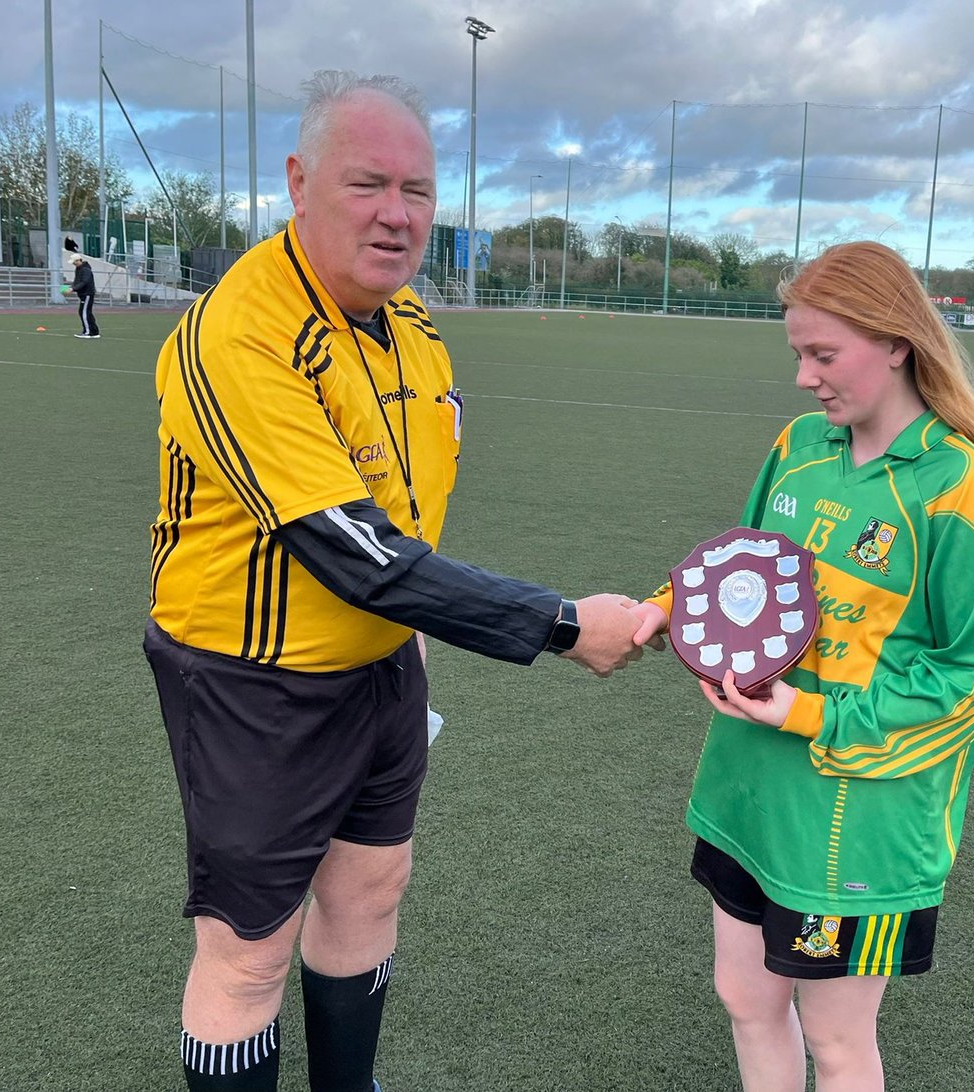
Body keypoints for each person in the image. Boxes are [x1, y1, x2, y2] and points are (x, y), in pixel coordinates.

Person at [144, 70, 657, 1092]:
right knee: (248, 953)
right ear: (298, 182)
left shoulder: (414, 326)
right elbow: (353, 552)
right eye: (367, 182)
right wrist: (563, 625)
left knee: (372, 891)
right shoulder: (243, 330)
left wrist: (411, 638)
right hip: (257, 684)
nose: (396, 214)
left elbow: (404, 514)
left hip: (382, 666)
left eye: (416, 191)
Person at [632, 241, 974, 1092]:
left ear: (896, 342)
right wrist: (663, 606)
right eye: (797, 354)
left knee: (837, 1038)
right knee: (744, 996)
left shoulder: (960, 487)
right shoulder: (802, 446)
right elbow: (741, 569)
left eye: (823, 354)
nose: (806, 377)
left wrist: (811, 715)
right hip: (749, 785)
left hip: (858, 819)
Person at [70, 253, 99, 338]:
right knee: (87, 312)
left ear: (79, 260)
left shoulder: (85, 270)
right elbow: (77, 281)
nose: (74, 264)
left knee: (84, 312)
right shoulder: (79, 269)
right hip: (84, 294)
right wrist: (71, 287)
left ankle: (87, 332)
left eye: (75, 262)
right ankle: (94, 332)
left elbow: (84, 282)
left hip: (87, 293)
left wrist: (73, 288)